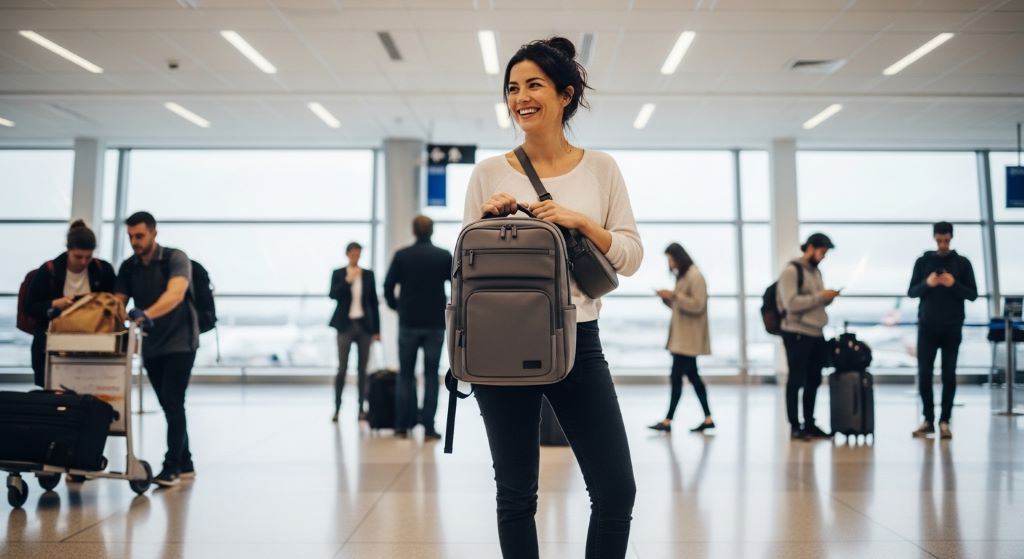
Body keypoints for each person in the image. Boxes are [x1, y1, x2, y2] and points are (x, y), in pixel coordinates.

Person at [464, 37, 643, 559]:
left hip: (578, 340)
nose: (521, 96)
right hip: (500, 344)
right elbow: (468, 271)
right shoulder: (488, 173)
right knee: (516, 494)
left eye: (534, 85)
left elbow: (630, 255)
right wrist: (490, 223)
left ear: (565, 95)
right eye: (513, 87)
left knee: (616, 490)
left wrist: (579, 220)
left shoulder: (601, 168)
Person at [114, 211, 199, 487]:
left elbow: (175, 294)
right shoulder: (129, 267)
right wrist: (121, 314)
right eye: (130, 237)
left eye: (139, 236)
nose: (135, 242)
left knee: (174, 401)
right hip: (151, 344)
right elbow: (118, 301)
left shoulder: (175, 258)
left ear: (153, 233)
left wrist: (144, 314)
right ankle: (186, 461)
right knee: (167, 404)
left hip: (180, 341)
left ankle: (171, 466)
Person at [907, 221, 978, 440]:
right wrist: (928, 283)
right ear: (934, 238)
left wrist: (953, 284)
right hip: (927, 328)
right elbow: (912, 291)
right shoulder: (923, 262)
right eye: (939, 240)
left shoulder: (962, 263)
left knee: (949, 374)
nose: (943, 244)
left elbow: (972, 294)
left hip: (952, 327)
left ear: (952, 238)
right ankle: (928, 419)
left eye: (946, 240)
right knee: (925, 374)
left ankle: (945, 420)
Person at [383, 215, 452, 439]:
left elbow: (387, 286)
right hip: (434, 323)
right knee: (432, 376)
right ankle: (429, 427)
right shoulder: (443, 256)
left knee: (406, 375)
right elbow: (458, 286)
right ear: (431, 231)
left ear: (414, 231)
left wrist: (398, 308)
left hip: (408, 322)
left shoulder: (403, 256)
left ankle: (402, 426)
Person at [25, 220, 116, 387]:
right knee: (54, 398)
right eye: (78, 257)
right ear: (68, 250)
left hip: (93, 347)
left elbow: (114, 303)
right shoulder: (48, 271)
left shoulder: (103, 270)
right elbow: (30, 308)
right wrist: (54, 304)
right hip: (52, 347)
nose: (83, 262)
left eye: (88, 257)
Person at [777, 233, 839, 441]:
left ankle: (809, 423)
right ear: (810, 247)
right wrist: (821, 297)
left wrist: (827, 298)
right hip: (796, 333)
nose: (823, 257)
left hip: (816, 333)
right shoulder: (791, 271)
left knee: (814, 379)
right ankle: (795, 425)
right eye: (822, 252)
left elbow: (815, 301)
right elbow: (790, 303)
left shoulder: (816, 272)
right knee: (796, 379)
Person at [649, 243, 715, 434]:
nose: (669, 264)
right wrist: (668, 299)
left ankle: (668, 420)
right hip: (683, 339)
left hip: (687, 340)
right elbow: (680, 307)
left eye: (670, 259)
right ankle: (706, 418)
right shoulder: (685, 276)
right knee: (692, 378)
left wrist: (675, 295)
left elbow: (698, 305)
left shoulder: (695, 276)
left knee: (678, 377)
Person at [329, 241, 381, 422]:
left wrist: (377, 330)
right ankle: (337, 408)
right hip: (345, 325)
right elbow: (333, 295)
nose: (355, 256)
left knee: (362, 369)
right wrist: (348, 280)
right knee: (342, 368)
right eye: (352, 254)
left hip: (364, 326)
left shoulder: (368, 275)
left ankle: (361, 408)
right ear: (347, 254)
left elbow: (374, 303)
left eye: (358, 254)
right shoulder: (339, 273)